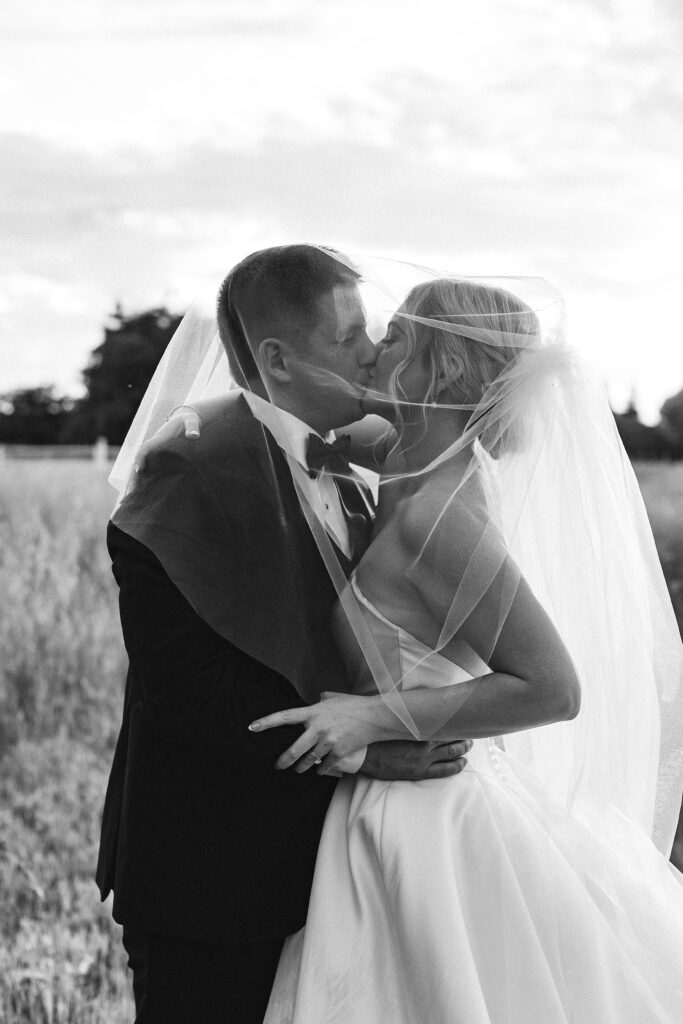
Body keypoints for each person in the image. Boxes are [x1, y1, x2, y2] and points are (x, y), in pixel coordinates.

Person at [205, 272, 682, 1023]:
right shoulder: (396, 457)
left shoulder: (442, 516)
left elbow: (552, 689)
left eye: (391, 336)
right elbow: (285, 427)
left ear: (441, 367)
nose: (367, 353)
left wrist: (370, 719)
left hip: (428, 819)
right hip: (375, 805)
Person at [96, 246, 471, 1024]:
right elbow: (189, 696)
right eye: (347, 337)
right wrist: (365, 749)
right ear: (278, 358)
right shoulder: (187, 470)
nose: (371, 351)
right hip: (212, 877)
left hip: (327, 868)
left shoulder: (347, 459)